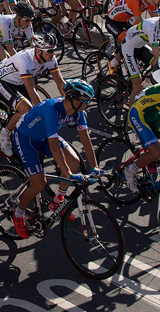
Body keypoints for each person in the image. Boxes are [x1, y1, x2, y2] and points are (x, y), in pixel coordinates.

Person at [10, 80, 100, 239]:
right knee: (39, 183)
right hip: (26, 138)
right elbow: (53, 147)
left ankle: (58, 200)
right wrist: (69, 175)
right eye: (86, 102)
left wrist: (96, 168)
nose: (87, 106)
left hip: (44, 136)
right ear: (77, 101)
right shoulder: (51, 109)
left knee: (73, 160)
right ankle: (18, 213)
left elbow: (86, 140)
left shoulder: (77, 112)